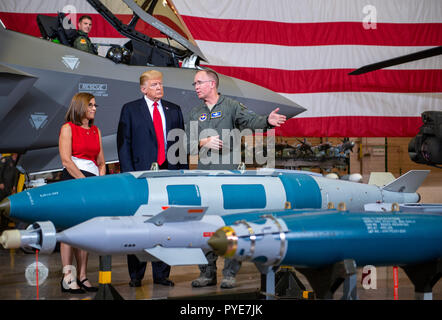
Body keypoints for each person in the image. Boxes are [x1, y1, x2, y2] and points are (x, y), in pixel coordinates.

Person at [188, 69, 286, 289]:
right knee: (204, 226)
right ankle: (207, 273)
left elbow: (252, 120)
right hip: (204, 178)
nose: (195, 87)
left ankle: (230, 273)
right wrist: (204, 143)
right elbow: (187, 144)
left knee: (231, 224)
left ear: (212, 84)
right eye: (194, 84)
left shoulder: (231, 106)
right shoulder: (195, 112)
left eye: (199, 83)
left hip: (228, 179)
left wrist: (267, 122)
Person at [117, 70, 188, 288]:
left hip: (169, 174)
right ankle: (136, 275)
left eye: (161, 84)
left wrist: (183, 175)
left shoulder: (173, 110)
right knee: (140, 224)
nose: (159, 87)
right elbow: (123, 144)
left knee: (166, 224)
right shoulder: (130, 110)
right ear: (143, 88)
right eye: (155, 84)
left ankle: (161, 274)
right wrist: (130, 175)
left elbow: (180, 145)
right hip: (141, 176)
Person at [58, 92, 106, 294]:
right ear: (80, 107)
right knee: (69, 231)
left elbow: (101, 162)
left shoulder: (96, 131)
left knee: (85, 232)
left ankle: (83, 276)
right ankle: (68, 278)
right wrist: (85, 182)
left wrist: (100, 182)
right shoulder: (67, 128)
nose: (94, 108)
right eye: (91, 105)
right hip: (73, 182)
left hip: (92, 184)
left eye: (95, 105)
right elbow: (66, 161)